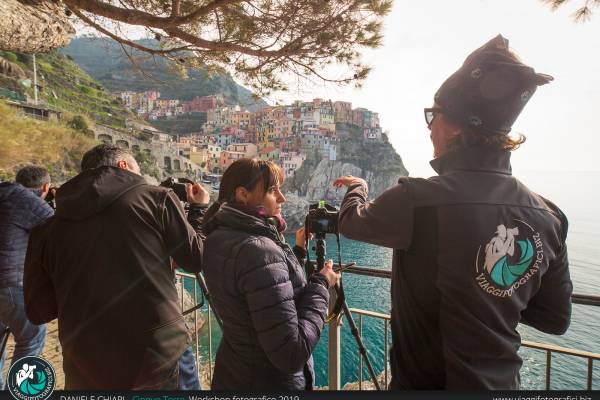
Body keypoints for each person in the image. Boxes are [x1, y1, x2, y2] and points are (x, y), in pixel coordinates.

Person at [333, 35, 573, 389]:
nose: (429, 126)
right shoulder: (549, 215)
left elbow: (350, 222)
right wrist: (492, 291)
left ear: (458, 127)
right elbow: (555, 318)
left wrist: (359, 188)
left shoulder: (417, 199)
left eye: (433, 115)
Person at [23, 144, 209, 389]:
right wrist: (199, 209)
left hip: (85, 361)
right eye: (138, 171)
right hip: (159, 354)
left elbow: (38, 311)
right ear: (123, 166)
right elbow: (196, 259)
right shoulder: (156, 198)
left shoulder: (45, 231)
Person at [202, 158, 340, 390]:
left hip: (235, 372)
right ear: (243, 195)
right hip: (269, 381)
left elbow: (266, 288)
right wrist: (322, 283)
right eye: (272, 190)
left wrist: (297, 251)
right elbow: (291, 352)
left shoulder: (218, 237)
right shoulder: (258, 249)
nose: (282, 198)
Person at [0, 166, 53, 389]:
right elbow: (57, 229)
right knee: (32, 338)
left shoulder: (5, 194)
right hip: (10, 285)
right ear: (45, 187)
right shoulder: (25, 200)